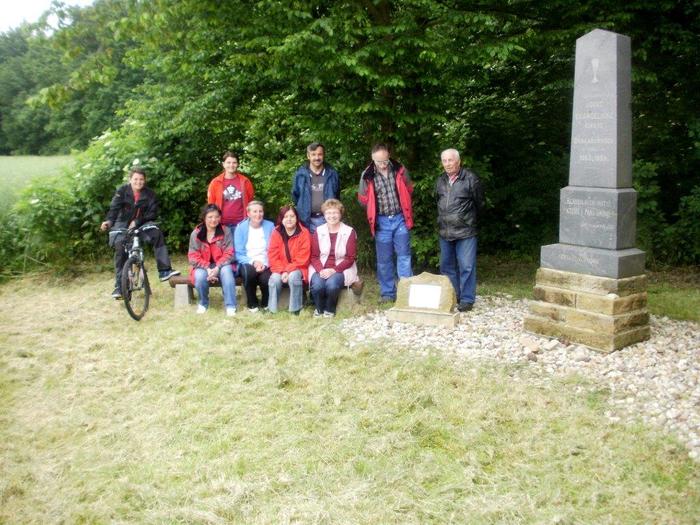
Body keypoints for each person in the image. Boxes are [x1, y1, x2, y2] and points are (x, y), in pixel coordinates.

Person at [100, 167, 179, 299]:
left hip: (142, 224)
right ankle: (120, 286)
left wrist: (137, 221)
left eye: (141, 179)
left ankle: (164, 271)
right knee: (120, 249)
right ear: (130, 179)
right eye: (135, 179)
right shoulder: (122, 191)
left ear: (145, 180)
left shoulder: (150, 194)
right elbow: (114, 209)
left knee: (156, 233)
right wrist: (108, 222)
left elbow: (153, 213)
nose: (138, 182)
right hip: (122, 225)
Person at [357, 143, 413, 302]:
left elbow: (409, 189)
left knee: (404, 256)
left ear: (389, 157)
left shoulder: (400, 169)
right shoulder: (367, 175)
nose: (382, 164)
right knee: (384, 260)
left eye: (385, 161)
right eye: (379, 162)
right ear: (372, 159)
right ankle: (388, 293)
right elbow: (363, 200)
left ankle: (406, 292)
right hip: (381, 222)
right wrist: (374, 211)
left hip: (400, 218)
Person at [436, 148, 485, 312]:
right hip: (445, 231)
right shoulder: (440, 180)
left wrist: (468, 221)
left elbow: (480, 204)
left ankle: (467, 299)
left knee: (467, 266)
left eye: (450, 160)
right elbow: (438, 202)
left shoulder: (471, 178)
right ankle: (453, 295)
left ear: (458, 161)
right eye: (444, 161)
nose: (447, 164)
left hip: (466, 231)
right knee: (446, 267)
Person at [309, 199, 359, 318]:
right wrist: (321, 270)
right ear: (324, 215)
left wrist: (333, 270)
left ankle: (329, 309)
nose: (332, 216)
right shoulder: (318, 231)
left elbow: (350, 258)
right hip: (321, 267)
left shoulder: (349, 231)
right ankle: (319, 309)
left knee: (332, 285)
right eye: (328, 213)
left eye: (335, 212)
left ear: (340, 214)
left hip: (341, 268)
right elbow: (314, 256)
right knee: (317, 285)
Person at [187, 204, 237, 316]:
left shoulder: (226, 231)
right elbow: (193, 256)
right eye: (210, 217)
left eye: (216, 216)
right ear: (204, 218)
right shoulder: (196, 233)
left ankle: (230, 305)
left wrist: (217, 267)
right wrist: (207, 268)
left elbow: (230, 253)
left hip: (222, 264)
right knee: (199, 277)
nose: (214, 220)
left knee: (227, 272)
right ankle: (203, 303)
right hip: (203, 265)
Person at [267, 205, 311, 315]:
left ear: (297, 218)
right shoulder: (276, 232)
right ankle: (272, 310)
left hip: (299, 267)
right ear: (281, 219)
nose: (289, 219)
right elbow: (273, 256)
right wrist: (282, 271)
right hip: (280, 268)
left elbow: (303, 258)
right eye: (286, 217)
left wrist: (288, 271)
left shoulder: (304, 232)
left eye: (292, 216)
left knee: (294, 276)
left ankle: (295, 310)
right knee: (274, 279)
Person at [234, 200, 274, 312]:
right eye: (255, 211)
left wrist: (265, 264)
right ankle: (252, 303)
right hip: (247, 261)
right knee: (249, 273)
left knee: (265, 279)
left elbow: (274, 249)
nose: (258, 214)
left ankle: (266, 302)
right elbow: (239, 253)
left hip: (266, 261)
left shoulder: (270, 226)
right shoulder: (240, 228)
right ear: (248, 213)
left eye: (260, 211)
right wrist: (254, 262)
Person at [291, 142, 340, 233]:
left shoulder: (332, 174)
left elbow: (336, 195)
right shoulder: (300, 175)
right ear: (308, 156)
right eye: (313, 154)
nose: (317, 158)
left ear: (323, 155)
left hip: (328, 219)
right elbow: (295, 195)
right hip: (307, 221)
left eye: (320, 154)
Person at [206, 151, 255, 232]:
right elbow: (211, 204)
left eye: (234, 162)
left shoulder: (245, 181)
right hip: (221, 224)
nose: (231, 165)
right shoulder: (215, 182)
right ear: (223, 164)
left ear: (237, 164)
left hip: (241, 223)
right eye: (228, 162)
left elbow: (250, 202)